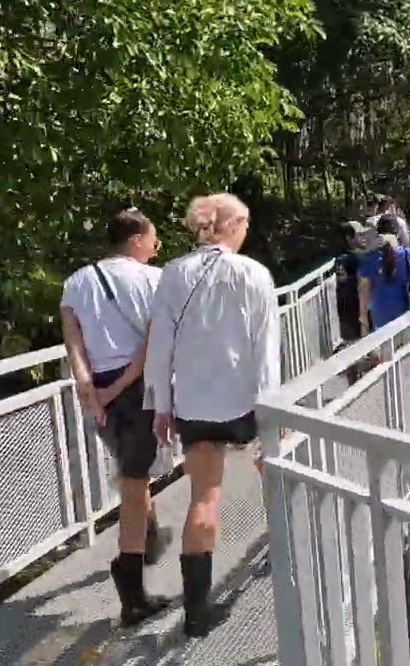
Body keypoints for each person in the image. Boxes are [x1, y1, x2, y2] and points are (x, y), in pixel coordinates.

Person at [145, 193, 280, 638]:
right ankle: (283, 549)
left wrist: (161, 406)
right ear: (232, 224)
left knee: (204, 498)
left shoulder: (173, 273)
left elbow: (160, 345)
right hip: (243, 402)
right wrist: (270, 410)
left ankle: (197, 613)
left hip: (193, 406)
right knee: (273, 470)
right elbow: (266, 350)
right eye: (245, 223)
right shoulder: (254, 274)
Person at [59, 207, 172, 627]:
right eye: (155, 241)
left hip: (98, 395)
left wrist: (90, 387)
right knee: (135, 477)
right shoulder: (154, 280)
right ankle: (130, 584)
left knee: (131, 471)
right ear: (137, 240)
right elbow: (153, 342)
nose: (156, 249)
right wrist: (118, 386)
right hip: (136, 387)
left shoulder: (76, 282)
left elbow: (73, 342)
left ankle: (148, 539)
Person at [357, 216, 410, 333]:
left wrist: (363, 319)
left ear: (378, 233)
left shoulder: (369, 259)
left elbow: (363, 292)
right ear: (398, 233)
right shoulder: (408, 254)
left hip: (380, 320)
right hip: (407, 316)